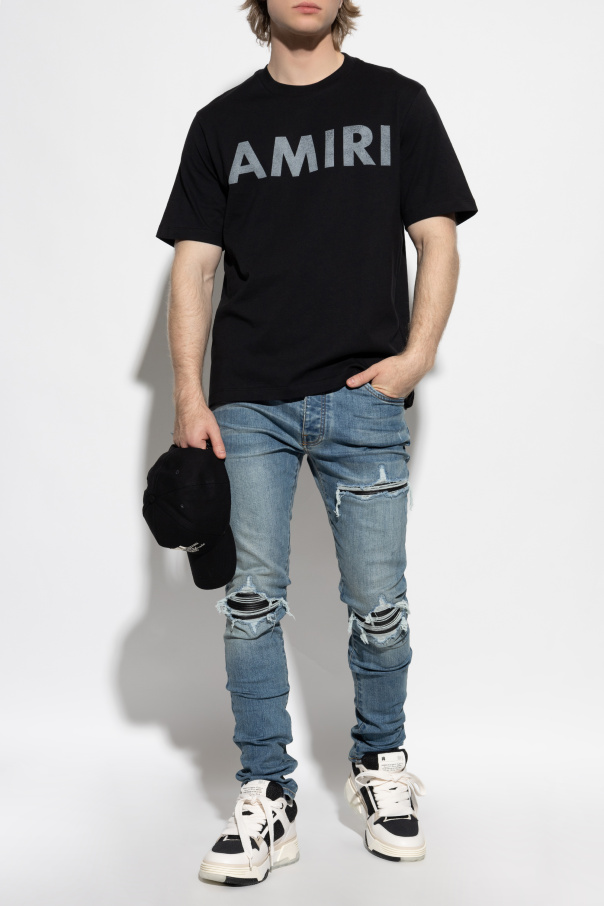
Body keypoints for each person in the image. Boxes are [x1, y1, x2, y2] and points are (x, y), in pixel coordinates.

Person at [156, 0, 477, 887]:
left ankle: (380, 766)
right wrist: (189, 396)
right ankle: (268, 793)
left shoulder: (399, 103)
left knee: (378, 604)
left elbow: (438, 239)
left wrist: (415, 358)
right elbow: (194, 264)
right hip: (248, 403)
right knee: (251, 602)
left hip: (361, 396)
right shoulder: (221, 124)